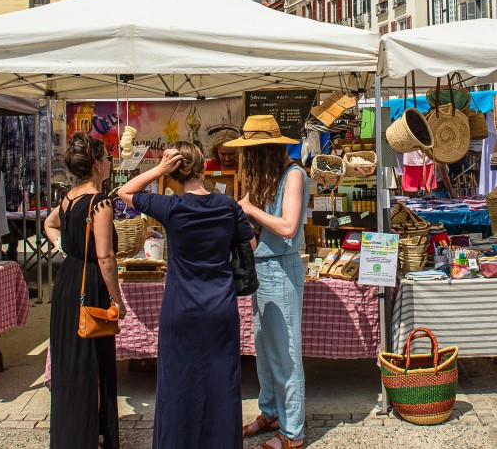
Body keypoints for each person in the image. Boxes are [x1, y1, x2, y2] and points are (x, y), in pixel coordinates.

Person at [116, 142, 255, 449]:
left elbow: (124, 192)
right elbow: (251, 246)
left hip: (181, 309)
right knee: (222, 384)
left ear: (174, 173)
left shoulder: (171, 207)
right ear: (204, 167)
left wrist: (159, 169)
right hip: (221, 306)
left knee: (178, 386)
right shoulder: (228, 205)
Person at [224, 115, 310, 449]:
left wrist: (248, 209)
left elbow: (288, 226)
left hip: (281, 271)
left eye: (251, 151)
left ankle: (292, 433)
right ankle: (271, 412)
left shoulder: (294, 175)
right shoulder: (271, 176)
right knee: (264, 349)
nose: (247, 159)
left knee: (286, 354)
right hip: (263, 269)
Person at [44, 133, 123, 449]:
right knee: (91, 364)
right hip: (88, 285)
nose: (108, 163)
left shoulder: (68, 197)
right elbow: (106, 257)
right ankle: (88, 438)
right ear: (96, 164)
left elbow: (50, 225)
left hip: (67, 281)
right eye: (105, 158)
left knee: (71, 365)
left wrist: (65, 247)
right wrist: (117, 298)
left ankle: (72, 436)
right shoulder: (99, 202)